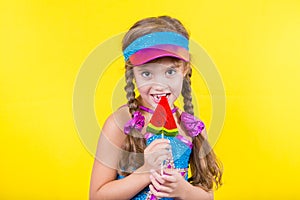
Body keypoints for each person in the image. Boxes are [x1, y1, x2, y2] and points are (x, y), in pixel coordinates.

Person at [89, 16, 222, 200]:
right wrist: (145, 171)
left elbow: (208, 196)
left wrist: (184, 190)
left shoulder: (192, 128)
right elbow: (97, 196)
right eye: (146, 73)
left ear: (185, 69)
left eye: (170, 72)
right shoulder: (119, 124)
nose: (159, 85)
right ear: (132, 74)